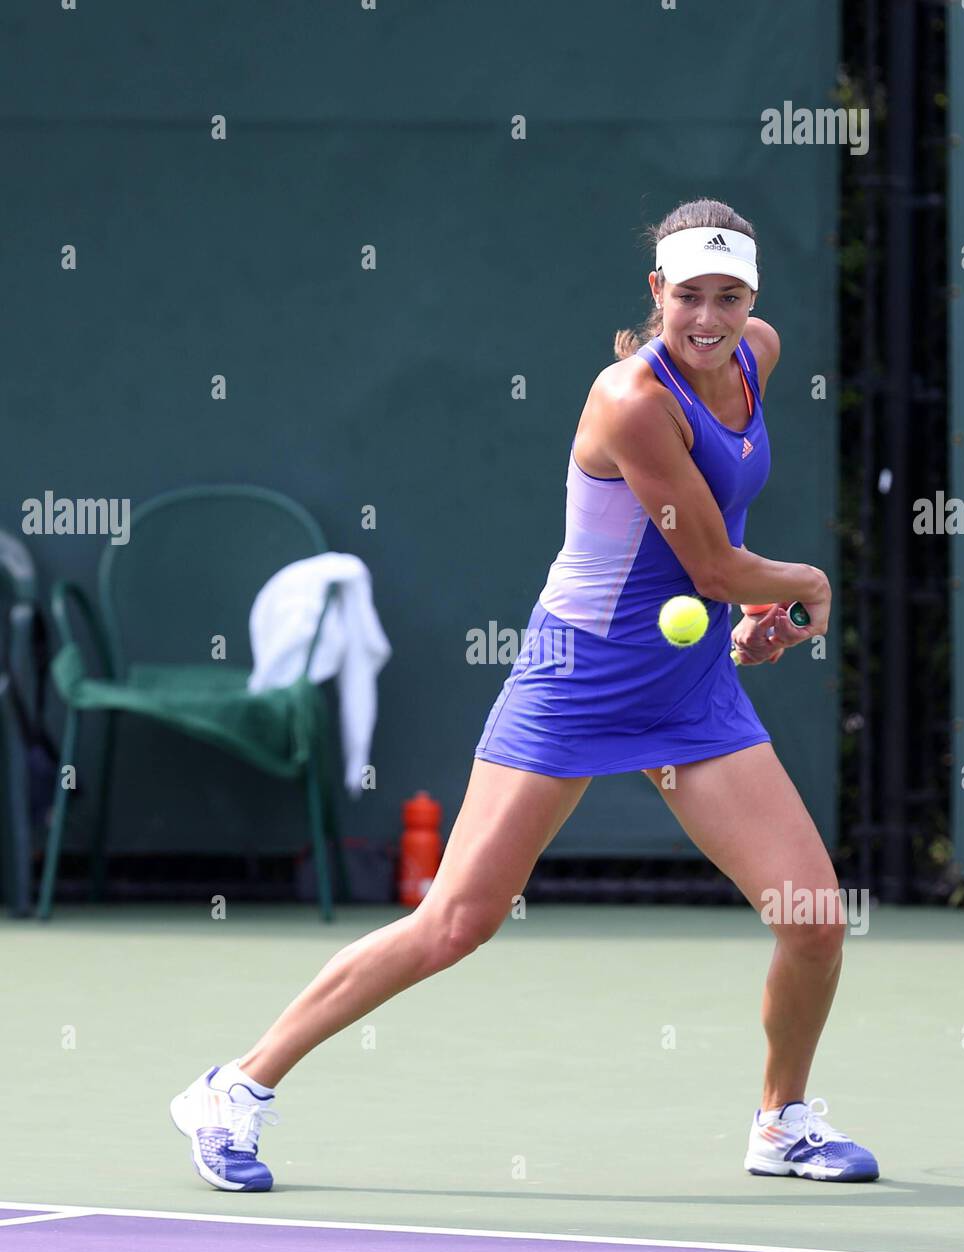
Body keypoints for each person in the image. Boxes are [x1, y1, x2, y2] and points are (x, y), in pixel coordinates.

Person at [170, 197, 878, 1191]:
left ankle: (781, 1121)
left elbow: (712, 571)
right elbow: (713, 566)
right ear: (654, 294)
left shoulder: (752, 356)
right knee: (455, 922)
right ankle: (232, 1088)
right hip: (575, 679)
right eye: (686, 297)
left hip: (685, 683)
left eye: (727, 296)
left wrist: (747, 618)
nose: (707, 318)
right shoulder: (630, 399)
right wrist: (798, 589)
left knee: (809, 915)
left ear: (753, 298)